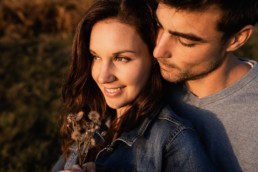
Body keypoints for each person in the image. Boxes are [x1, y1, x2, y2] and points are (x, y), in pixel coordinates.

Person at [51, 0, 216, 171]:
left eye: (122, 58)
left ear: (153, 58)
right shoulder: (90, 119)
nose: (103, 76)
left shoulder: (172, 141)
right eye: (96, 57)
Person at [153, 0, 258, 171]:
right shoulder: (143, 76)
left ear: (237, 38)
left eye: (185, 41)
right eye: (158, 25)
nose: (158, 51)